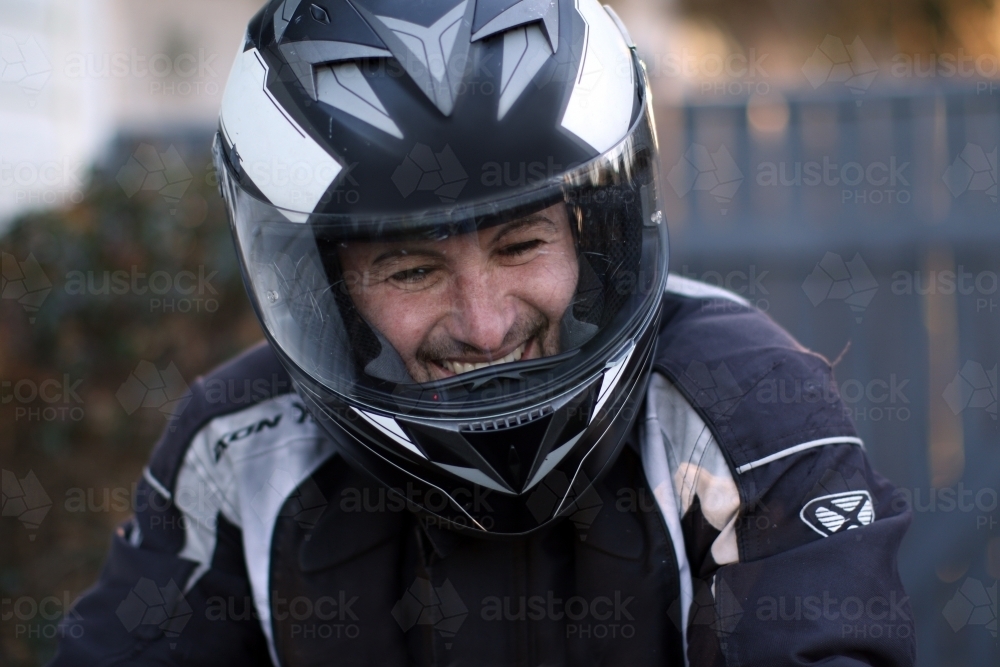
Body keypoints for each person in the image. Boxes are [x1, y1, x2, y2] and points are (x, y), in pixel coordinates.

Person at [51, 1, 916, 665]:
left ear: (597, 233)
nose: (487, 320)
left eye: (522, 244)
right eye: (411, 269)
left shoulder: (746, 399)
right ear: (324, 288)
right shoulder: (237, 445)